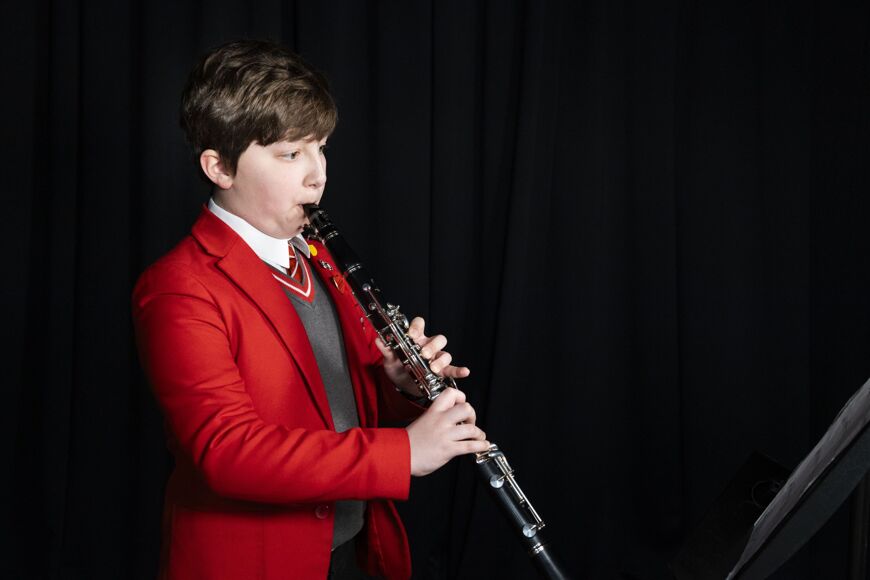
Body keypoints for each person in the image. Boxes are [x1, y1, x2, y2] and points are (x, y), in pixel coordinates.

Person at [132, 39, 489, 580]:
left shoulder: (319, 256)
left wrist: (400, 385)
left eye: (320, 148)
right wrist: (403, 453)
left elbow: (336, 405)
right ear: (219, 167)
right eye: (290, 154)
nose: (317, 175)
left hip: (349, 551)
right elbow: (228, 453)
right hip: (254, 565)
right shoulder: (179, 287)